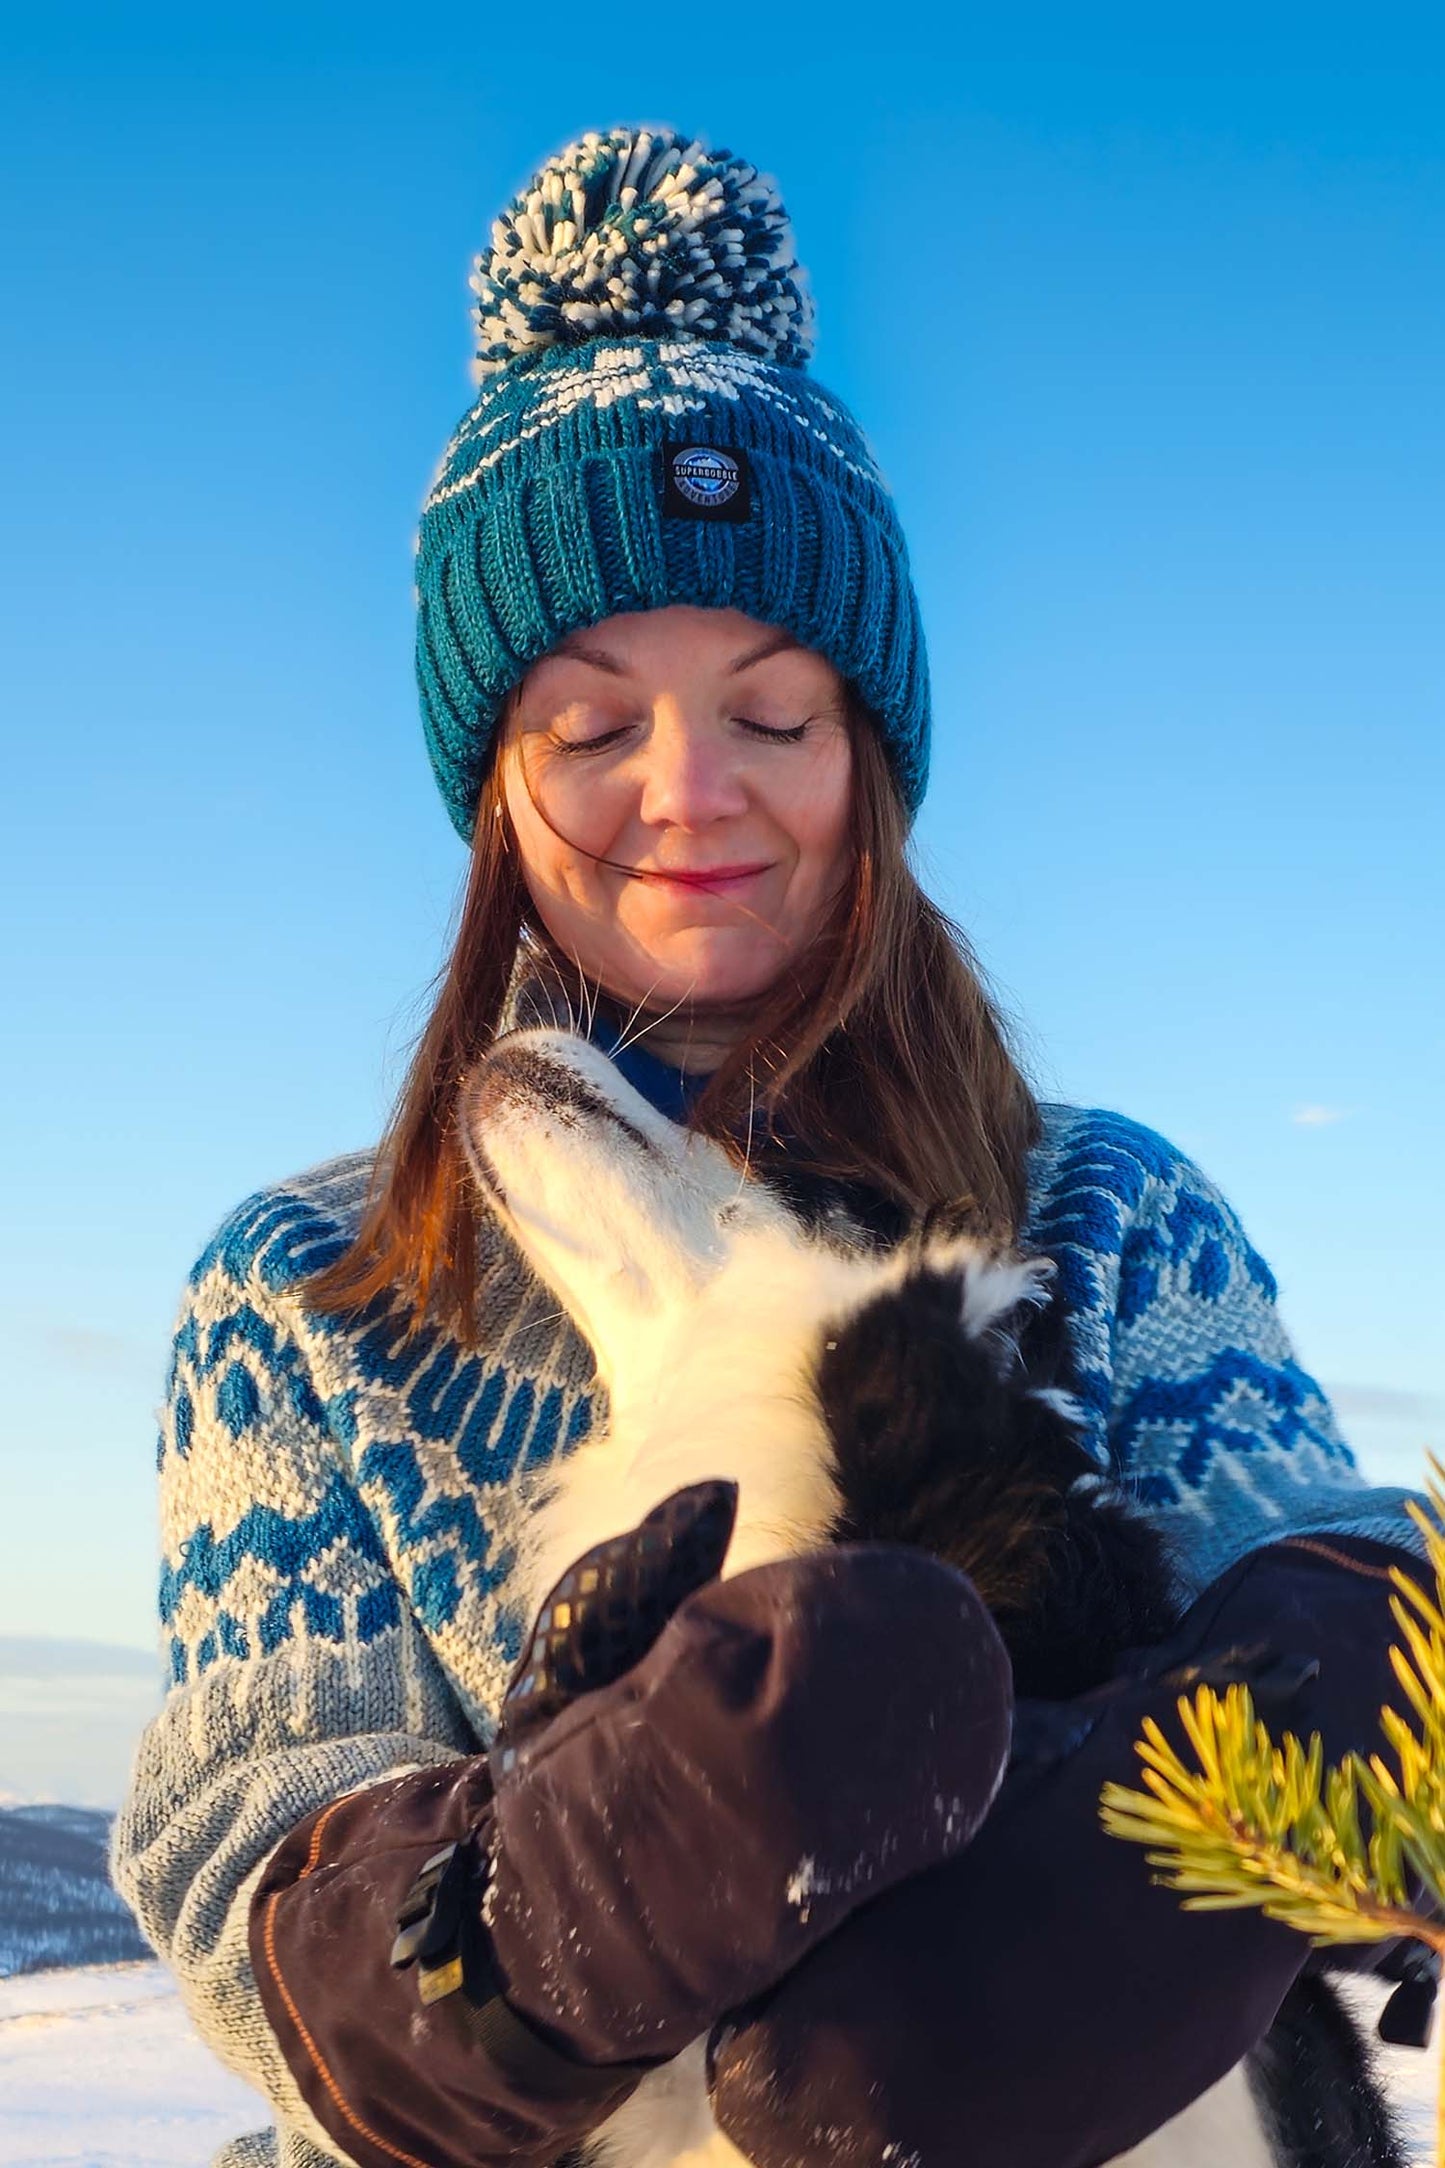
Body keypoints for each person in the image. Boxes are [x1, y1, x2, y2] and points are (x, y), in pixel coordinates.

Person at [112, 126, 1430, 2168]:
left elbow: (1312, 1542)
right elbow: (246, 1837)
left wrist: (1321, 1690)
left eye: (773, 709)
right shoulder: (309, 1297)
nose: (691, 794)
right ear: (496, 785)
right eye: (591, 724)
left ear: (868, 751)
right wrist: (523, 1930)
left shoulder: (1100, 1208)